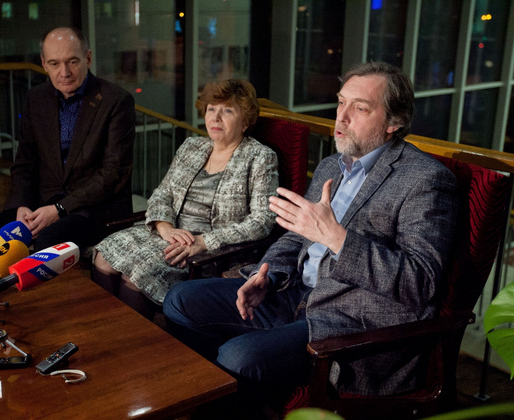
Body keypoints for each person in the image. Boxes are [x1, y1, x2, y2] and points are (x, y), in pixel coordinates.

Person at [163, 62, 459, 417]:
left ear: (393, 122)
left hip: (350, 322)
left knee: (237, 356)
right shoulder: (333, 165)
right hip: (292, 293)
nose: (341, 117)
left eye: (360, 108)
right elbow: (295, 236)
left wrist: (337, 237)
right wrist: (266, 275)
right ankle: (232, 398)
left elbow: (419, 281)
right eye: (341, 102)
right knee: (179, 300)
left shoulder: (425, 179)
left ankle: (236, 396)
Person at [93, 79, 279, 320]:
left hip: (212, 251)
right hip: (171, 234)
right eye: (211, 109)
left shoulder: (260, 157)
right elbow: (163, 194)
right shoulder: (192, 147)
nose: (215, 118)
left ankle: (131, 339)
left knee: (138, 273)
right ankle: (103, 329)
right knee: (104, 255)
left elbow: (262, 221)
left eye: (227, 111)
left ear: (245, 122)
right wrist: (164, 227)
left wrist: (204, 242)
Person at [0, 27, 135, 264]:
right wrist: (21, 204)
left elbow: (113, 174)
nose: (64, 72)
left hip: (93, 208)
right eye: (54, 63)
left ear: (88, 58)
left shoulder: (116, 101)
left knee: (44, 246)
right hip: (41, 204)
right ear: (43, 64)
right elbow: (24, 162)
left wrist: (60, 209)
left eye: (72, 61)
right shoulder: (36, 98)